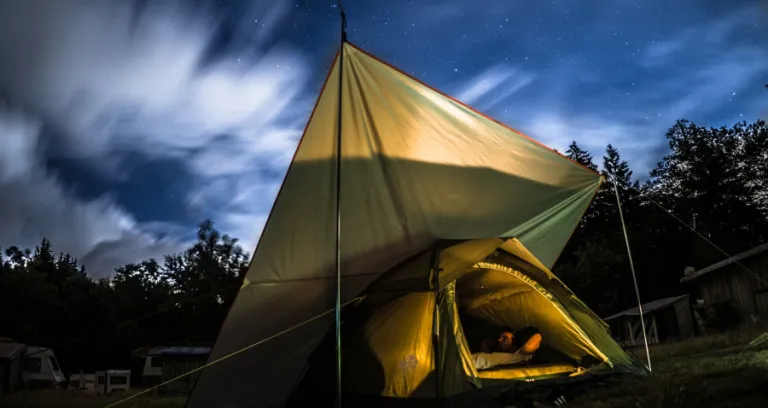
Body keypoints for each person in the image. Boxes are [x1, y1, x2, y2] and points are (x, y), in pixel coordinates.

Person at [471, 327, 542, 370]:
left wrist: (538, 331)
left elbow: (536, 338)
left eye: (505, 339)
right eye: (500, 337)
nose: (499, 340)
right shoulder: (496, 353)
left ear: (513, 348)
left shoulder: (516, 357)